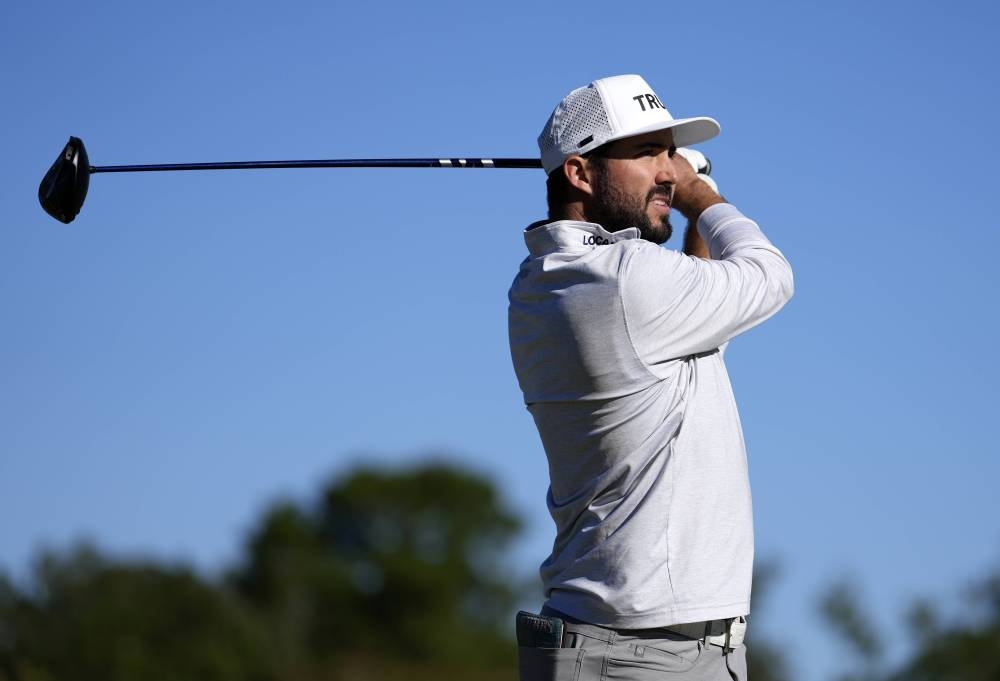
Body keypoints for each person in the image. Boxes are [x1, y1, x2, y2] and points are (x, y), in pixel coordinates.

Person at [507, 74, 794, 681]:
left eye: (669, 151)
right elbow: (770, 277)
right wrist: (698, 194)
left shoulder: (553, 278)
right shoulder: (622, 280)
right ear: (580, 175)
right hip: (642, 656)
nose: (666, 169)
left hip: (634, 648)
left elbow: (694, 304)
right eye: (645, 153)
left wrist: (669, 194)